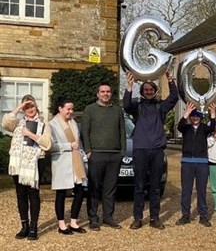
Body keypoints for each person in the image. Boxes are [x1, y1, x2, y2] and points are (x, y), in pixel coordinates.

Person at [123, 71, 179, 230]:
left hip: (156, 150)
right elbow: (126, 105)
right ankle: (138, 218)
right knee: (139, 186)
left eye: (151, 89)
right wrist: (129, 86)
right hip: (140, 150)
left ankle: (155, 217)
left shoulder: (160, 106)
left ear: (155, 91)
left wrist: (170, 80)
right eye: (145, 89)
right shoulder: (137, 107)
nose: (148, 91)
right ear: (142, 92)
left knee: (155, 187)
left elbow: (174, 98)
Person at [2, 95, 52, 240]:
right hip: (18, 163)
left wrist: (30, 134)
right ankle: (24, 226)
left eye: (32, 106)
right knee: (21, 194)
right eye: (26, 107)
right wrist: (19, 106)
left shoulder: (43, 124)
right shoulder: (18, 123)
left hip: (35, 162)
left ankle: (33, 227)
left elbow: (47, 143)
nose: (30, 109)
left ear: (36, 107)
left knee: (33, 194)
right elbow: (5, 122)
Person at [82, 82, 125, 231]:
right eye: (102, 91)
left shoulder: (117, 110)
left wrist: (122, 152)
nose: (105, 94)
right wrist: (88, 151)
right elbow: (84, 132)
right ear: (97, 94)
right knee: (94, 188)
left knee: (110, 188)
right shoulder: (90, 110)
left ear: (111, 94)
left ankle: (108, 216)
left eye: (108, 91)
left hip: (114, 155)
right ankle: (93, 218)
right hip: (96, 154)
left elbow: (122, 132)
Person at [49, 97, 87, 235]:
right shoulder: (52, 125)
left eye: (72, 109)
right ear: (60, 108)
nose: (71, 111)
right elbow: (50, 146)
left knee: (80, 191)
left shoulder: (74, 123)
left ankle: (73, 222)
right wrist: (68, 146)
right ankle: (61, 224)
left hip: (76, 161)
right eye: (68, 109)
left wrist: (83, 154)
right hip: (61, 162)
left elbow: (78, 142)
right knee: (61, 193)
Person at [176, 102, 216, 227]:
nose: (195, 118)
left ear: (201, 117)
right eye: (192, 116)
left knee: (201, 190)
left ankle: (203, 216)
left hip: (202, 162)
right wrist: (186, 113)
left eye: (197, 116)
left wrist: (213, 115)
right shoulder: (186, 128)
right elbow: (180, 126)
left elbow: (212, 127)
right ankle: (185, 215)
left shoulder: (204, 128)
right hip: (187, 162)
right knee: (186, 190)